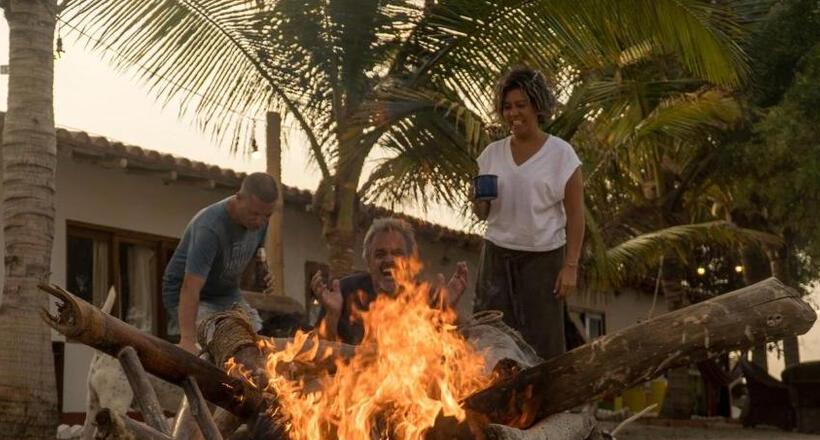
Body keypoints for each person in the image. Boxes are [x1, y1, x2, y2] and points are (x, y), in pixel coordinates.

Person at [472, 66, 585, 361]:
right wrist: (479, 201)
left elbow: (576, 215)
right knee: (490, 343)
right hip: (496, 259)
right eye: (507, 107)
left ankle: (541, 407)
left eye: (521, 105)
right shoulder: (491, 155)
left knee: (541, 349)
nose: (514, 113)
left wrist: (570, 266)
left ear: (537, 106)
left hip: (544, 260)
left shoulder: (562, 155)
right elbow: (482, 214)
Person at [162, 172, 279, 353]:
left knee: (256, 339)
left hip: (226, 295)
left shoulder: (261, 221)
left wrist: (261, 278)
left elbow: (250, 265)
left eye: (267, 216)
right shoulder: (210, 228)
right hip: (187, 295)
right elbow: (190, 287)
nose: (260, 221)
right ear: (239, 198)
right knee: (223, 338)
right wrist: (187, 340)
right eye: (254, 214)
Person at [310, 218, 469, 345]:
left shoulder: (426, 298)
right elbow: (318, 354)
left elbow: (449, 353)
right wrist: (332, 315)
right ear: (369, 262)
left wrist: (449, 307)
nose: (389, 260)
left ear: (409, 262)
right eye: (380, 254)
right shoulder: (345, 292)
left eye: (397, 254)